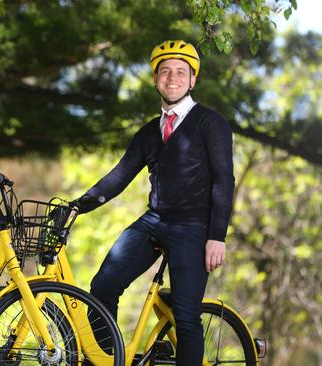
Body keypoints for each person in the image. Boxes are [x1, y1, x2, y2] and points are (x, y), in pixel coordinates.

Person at [74, 40, 234, 365]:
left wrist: (217, 235)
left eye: (180, 72)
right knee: (103, 285)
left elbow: (224, 180)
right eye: (165, 72)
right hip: (154, 221)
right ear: (155, 79)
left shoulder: (210, 123)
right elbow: (119, 177)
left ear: (192, 80)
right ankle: (107, 359)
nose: (172, 78)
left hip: (193, 226)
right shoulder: (149, 132)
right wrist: (77, 205)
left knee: (186, 318)